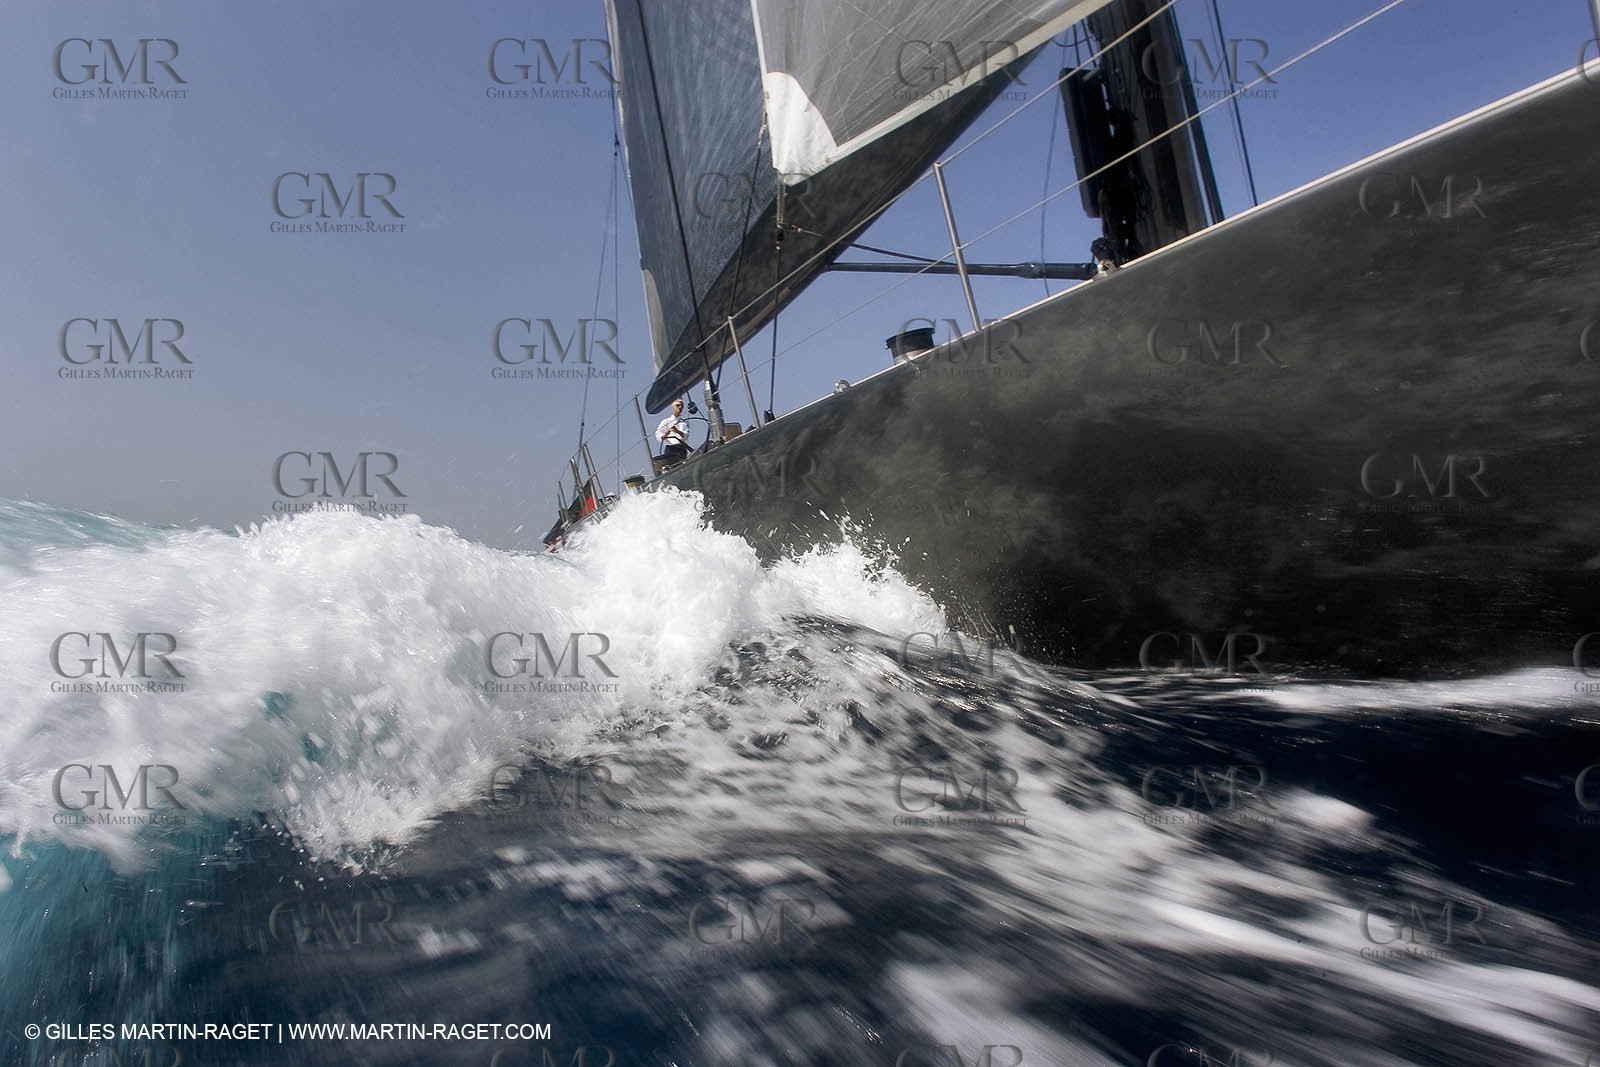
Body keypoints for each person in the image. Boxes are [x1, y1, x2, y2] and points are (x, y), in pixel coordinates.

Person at [656, 397, 690, 464]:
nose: (680, 407)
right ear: (673, 407)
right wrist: (666, 434)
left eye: (681, 406)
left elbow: (686, 435)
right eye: (677, 405)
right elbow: (659, 434)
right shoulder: (666, 421)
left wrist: (677, 431)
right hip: (670, 448)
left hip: (681, 448)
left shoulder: (685, 422)